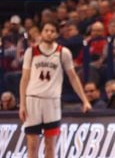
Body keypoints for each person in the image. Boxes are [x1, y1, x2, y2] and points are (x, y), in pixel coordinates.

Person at [19, 21, 91, 158]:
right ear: (41, 32)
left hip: (52, 102)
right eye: (46, 30)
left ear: (57, 33)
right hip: (33, 99)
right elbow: (24, 79)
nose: (49, 33)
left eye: (52, 30)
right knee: (32, 144)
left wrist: (85, 100)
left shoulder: (63, 53)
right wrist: (22, 104)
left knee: (50, 145)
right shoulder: (31, 52)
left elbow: (73, 77)